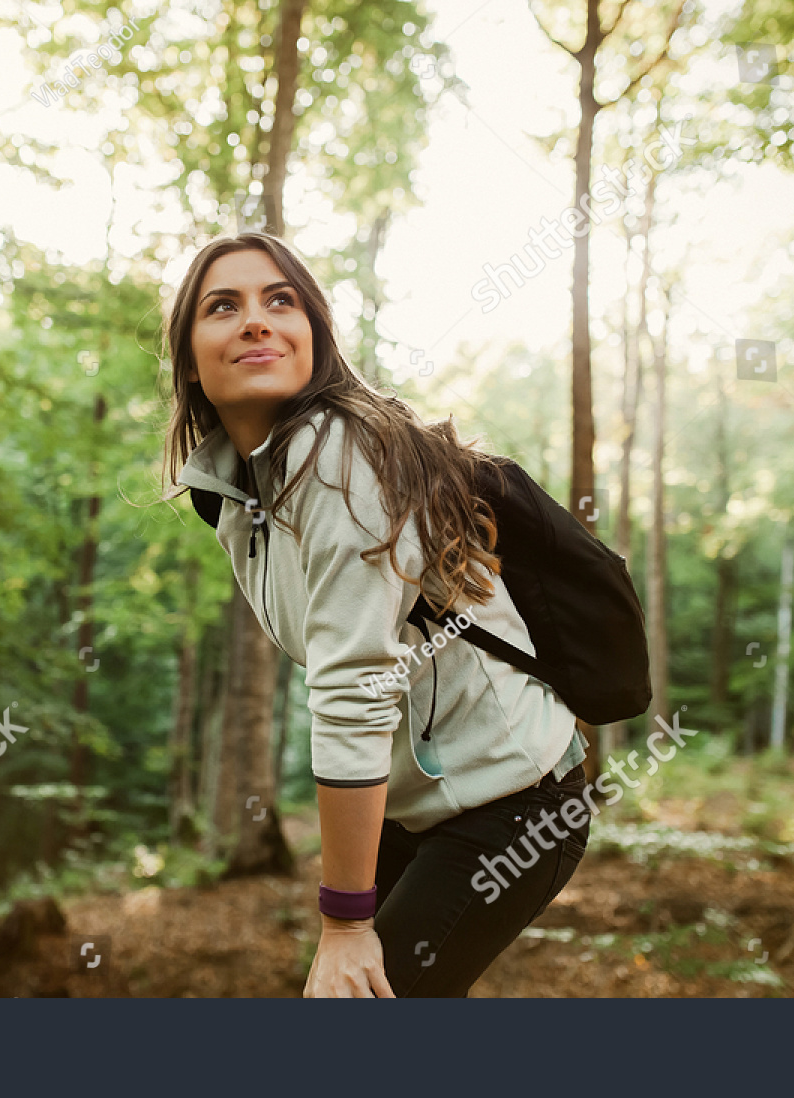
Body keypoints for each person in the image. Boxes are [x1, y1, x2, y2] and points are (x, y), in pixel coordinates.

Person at [163, 232, 590, 998]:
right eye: (222, 306)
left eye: (280, 300)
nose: (256, 321)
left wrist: (347, 921)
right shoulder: (233, 493)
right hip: (423, 801)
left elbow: (354, 690)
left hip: (515, 801)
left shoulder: (336, 459)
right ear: (190, 357)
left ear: (315, 338)